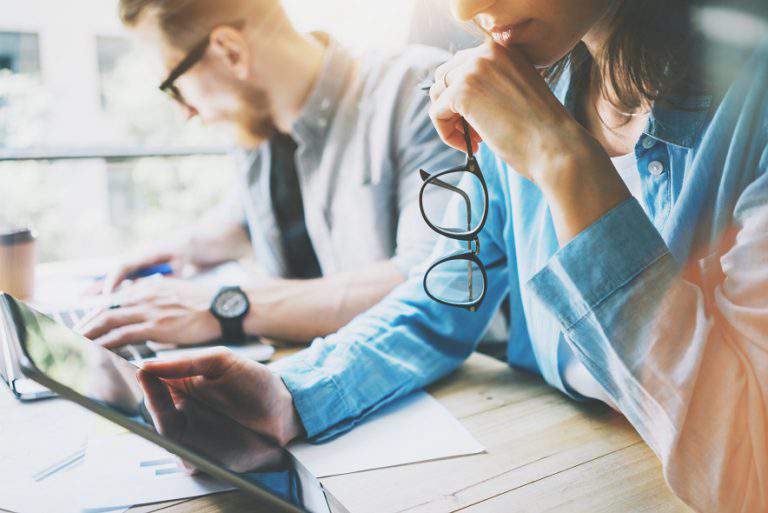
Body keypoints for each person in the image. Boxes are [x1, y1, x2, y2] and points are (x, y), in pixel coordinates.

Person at [137, 1, 768, 511]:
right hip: (550, 454)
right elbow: (441, 299)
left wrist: (561, 158)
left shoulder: (753, 108)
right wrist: (291, 394)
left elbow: (746, 465)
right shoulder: (529, 84)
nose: (467, 11)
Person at [80, 0, 464, 348]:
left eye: (174, 86)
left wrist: (226, 305)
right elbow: (242, 223)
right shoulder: (257, 129)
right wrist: (175, 255)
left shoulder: (420, 91)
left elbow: (435, 280)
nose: (186, 111)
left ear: (231, 51)